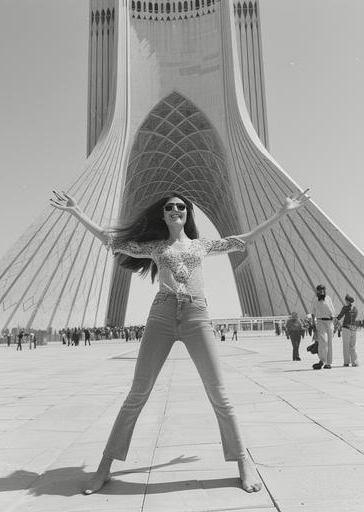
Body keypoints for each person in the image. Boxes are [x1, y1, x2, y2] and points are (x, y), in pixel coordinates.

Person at [50, 187, 310, 495]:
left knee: (219, 394)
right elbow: (112, 241)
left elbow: (246, 239)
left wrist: (282, 211)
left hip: (196, 316)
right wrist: (77, 211)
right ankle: (104, 468)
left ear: (188, 215)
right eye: (171, 207)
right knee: (137, 394)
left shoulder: (203, 245)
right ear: (163, 214)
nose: (177, 210)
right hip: (161, 316)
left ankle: (243, 462)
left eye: (182, 207)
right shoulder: (156, 247)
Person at [310, 284, 335, 369]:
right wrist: (313, 323)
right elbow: (312, 312)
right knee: (323, 342)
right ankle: (322, 360)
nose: (321, 291)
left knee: (329, 343)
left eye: (323, 290)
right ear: (317, 291)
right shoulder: (315, 300)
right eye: (319, 290)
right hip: (320, 322)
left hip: (329, 322)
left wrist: (334, 318)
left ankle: (328, 363)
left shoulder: (328, 298)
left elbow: (332, 309)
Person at [335, 294, 359, 367]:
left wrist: (335, 320)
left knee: (346, 346)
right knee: (353, 345)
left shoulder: (345, 308)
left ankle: (346, 362)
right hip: (354, 328)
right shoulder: (355, 309)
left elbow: (340, 316)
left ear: (347, 301)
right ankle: (354, 362)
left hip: (346, 328)